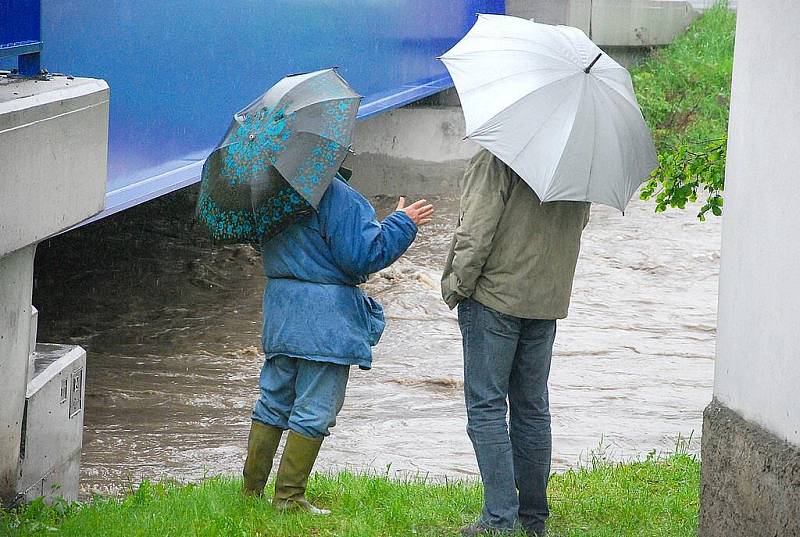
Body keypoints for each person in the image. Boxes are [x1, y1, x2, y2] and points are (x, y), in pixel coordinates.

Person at [242, 173, 433, 515]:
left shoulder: (269, 194)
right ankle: (288, 499)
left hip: (281, 312)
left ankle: (250, 493)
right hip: (325, 321)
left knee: (273, 400)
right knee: (314, 408)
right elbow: (362, 256)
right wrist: (401, 224)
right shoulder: (335, 193)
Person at [442, 149, 590, 536]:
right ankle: (533, 519)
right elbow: (578, 223)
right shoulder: (579, 163)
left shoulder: (498, 156)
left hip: (494, 298)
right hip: (546, 301)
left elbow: (475, 231)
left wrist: (457, 286)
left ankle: (498, 518)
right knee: (532, 408)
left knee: (487, 407)